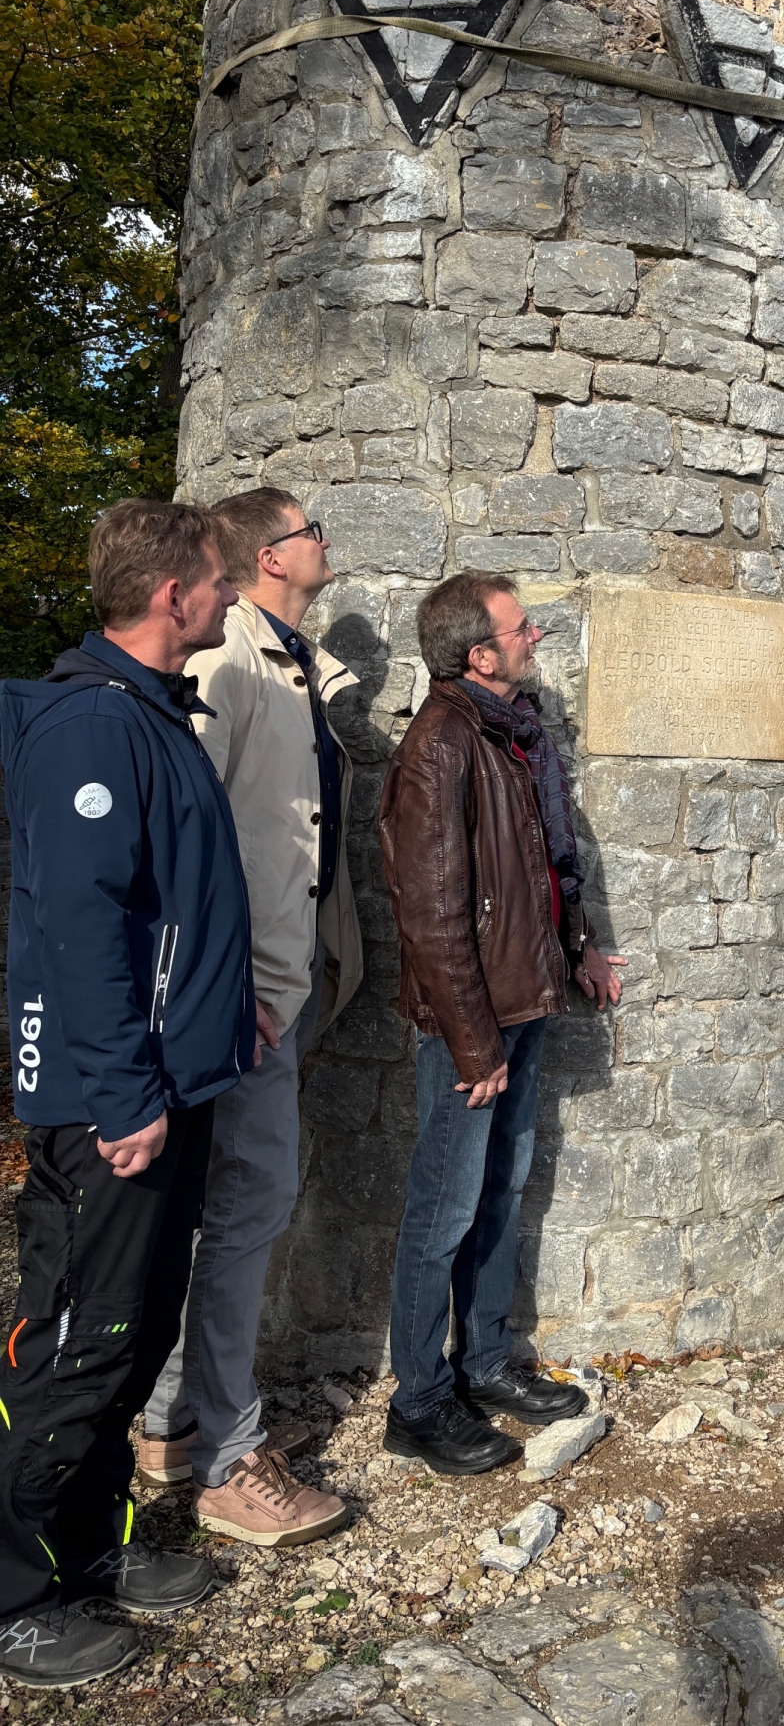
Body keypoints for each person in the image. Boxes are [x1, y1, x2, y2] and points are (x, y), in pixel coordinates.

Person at [0, 500, 254, 1689]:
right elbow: (83, 927)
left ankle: (85, 1552)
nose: (228, 592)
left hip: (161, 1077)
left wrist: (217, 1009)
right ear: (173, 597)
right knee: (78, 1344)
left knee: (133, 1328)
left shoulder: (155, 716)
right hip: (113, 1101)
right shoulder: (91, 730)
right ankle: (13, 1591)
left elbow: (173, 908)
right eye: (217, 578)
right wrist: (117, 1096)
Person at [136, 490, 363, 1548]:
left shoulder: (286, 662)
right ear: (270, 557)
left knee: (227, 1212)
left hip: (277, 985)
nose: (326, 538)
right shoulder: (229, 660)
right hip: (246, 999)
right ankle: (225, 1457)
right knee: (242, 1213)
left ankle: (173, 1422)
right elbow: (193, 840)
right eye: (310, 527)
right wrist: (234, 992)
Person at [378, 573, 625, 1474]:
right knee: (440, 1211)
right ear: (479, 653)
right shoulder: (441, 744)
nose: (538, 637)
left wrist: (582, 947)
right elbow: (430, 909)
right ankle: (418, 1400)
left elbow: (546, 865)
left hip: (522, 1001)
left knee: (497, 1196)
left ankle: (482, 1363)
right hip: (469, 1025)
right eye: (524, 628)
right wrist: (472, 1042)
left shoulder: (514, 735)